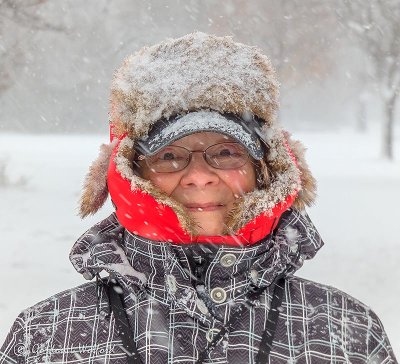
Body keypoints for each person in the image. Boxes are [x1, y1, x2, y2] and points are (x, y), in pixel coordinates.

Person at [0, 32, 397, 364]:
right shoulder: (49, 336)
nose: (200, 176)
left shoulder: (346, 331)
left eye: (226, 152)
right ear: (132, 172)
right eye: (169, 155)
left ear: (266, 168)